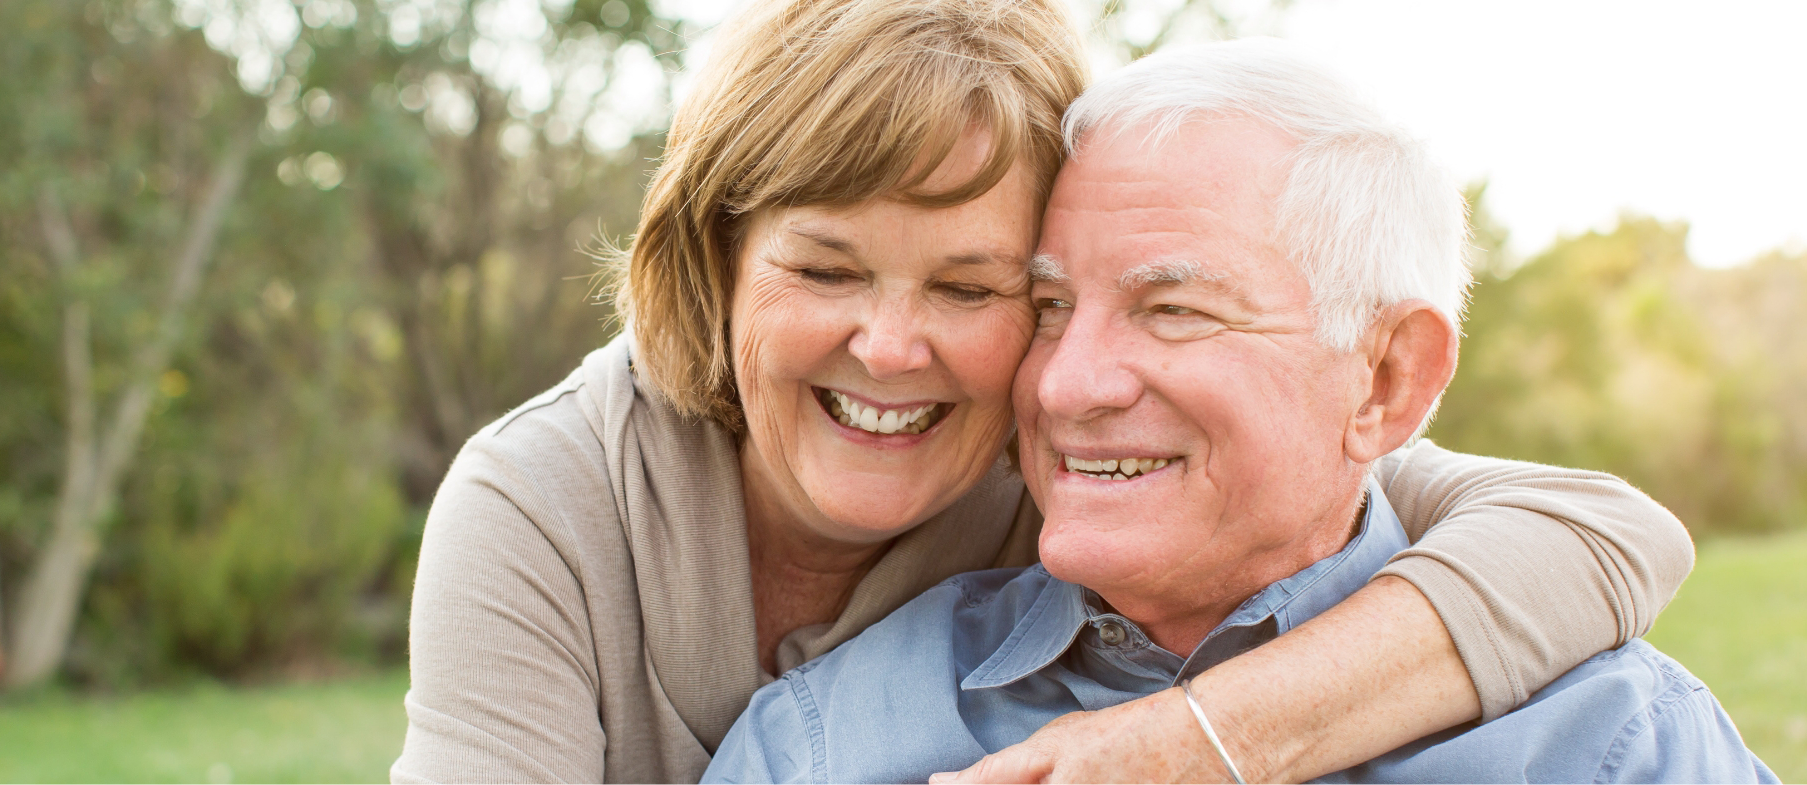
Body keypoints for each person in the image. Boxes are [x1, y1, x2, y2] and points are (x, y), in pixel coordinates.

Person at [392, 2, 1696, 783]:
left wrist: (1197, 742)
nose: (895, 349)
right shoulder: (552, 503)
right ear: (716, 264)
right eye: (824, 268)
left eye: (975, 288)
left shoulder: (1056, 433)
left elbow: (1603, 533)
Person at [702, 38, 1776, 785]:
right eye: (1048, 305)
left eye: (1173, 309)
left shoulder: (1613, 741)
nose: (1069, 383)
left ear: (1388, 379)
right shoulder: (826, 739)